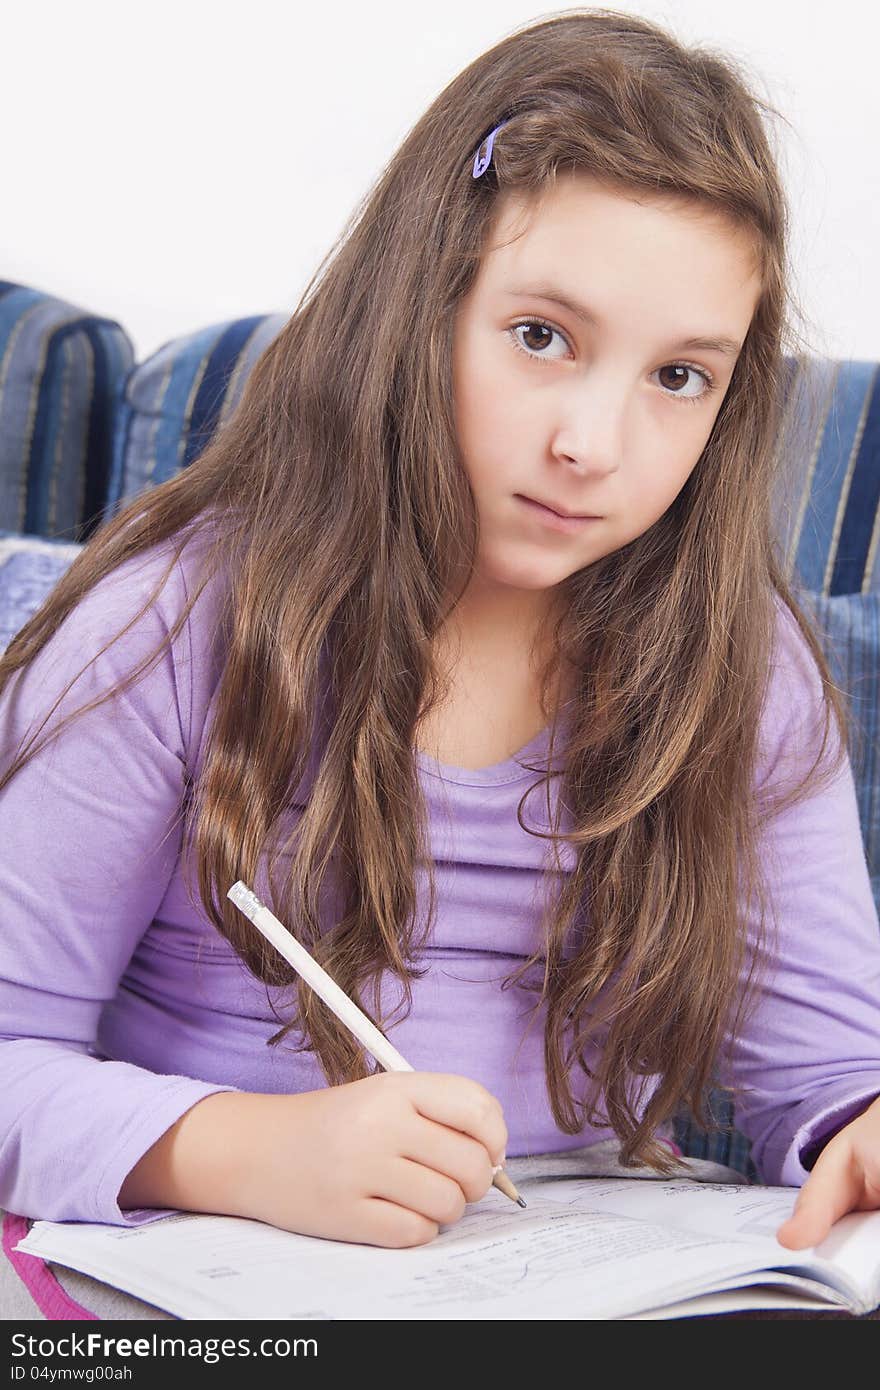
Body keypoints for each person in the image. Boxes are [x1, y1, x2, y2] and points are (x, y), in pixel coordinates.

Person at [2, 8, 880, 1258]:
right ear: (414, 311)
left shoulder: (742, 673)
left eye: (678, 375)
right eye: (540, 337)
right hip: (212, 1262)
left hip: (587, 1264)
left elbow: (831, 1077)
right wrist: (242, 1149)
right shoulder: (170, 624)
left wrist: (861, 1124)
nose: (593, 444)